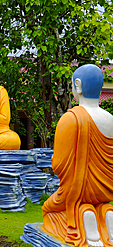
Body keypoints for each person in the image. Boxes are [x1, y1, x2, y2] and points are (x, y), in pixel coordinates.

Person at [42, 64, 113, 247]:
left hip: (77, 190)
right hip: (106, 190)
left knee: (48, 210)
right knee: (102, 203)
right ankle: (105, 212)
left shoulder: (70, 118)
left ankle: (82, 214)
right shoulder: (111, 120)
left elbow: (59, 165)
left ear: (78, 86)